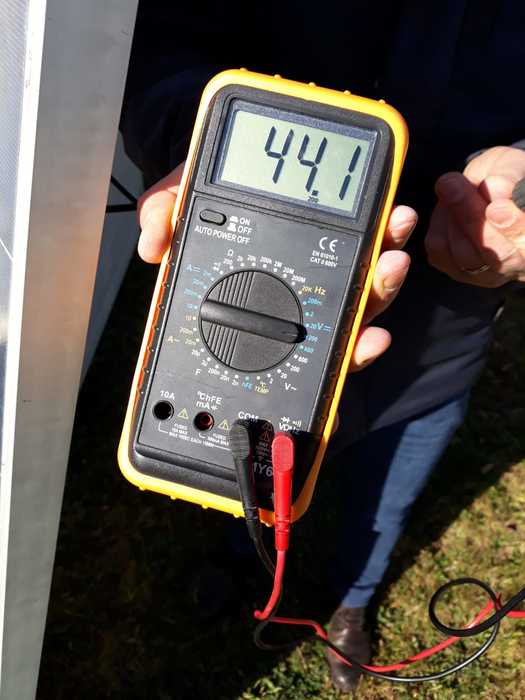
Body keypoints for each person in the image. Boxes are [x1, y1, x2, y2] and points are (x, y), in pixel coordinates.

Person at [120, 1, 525, 692]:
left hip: (441, 334)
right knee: (247, 458)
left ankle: (353, 600)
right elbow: (158, 47)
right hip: (254, 289)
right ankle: (245, 557)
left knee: (389, 490)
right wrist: (208, 145)